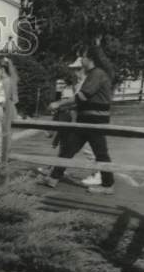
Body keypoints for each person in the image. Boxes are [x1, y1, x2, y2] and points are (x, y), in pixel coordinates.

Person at [39, 40, 116, 193]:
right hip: (86, 120)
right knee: (68, 149)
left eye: (83, 57)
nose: (81, 60)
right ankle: (53, 178)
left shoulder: (97, 74)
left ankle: (108, 186)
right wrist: (64, 106)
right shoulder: (94, 74)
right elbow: (82, 102)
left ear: (91, 59)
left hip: (95, 121)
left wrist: (58, 104)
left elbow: (82, 96)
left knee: (101, 154)